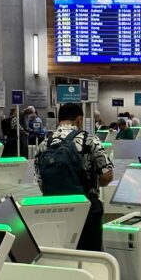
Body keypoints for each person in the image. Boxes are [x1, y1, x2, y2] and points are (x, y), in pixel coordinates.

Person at [34, 102, 113, 252]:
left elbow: (40, 182)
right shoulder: (89, 140)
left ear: (59, 120)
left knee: (62, 253)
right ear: (79, 120)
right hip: (85, 207)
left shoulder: (44, 144)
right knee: (90, 256)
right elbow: (107, 176)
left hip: (52, 209)